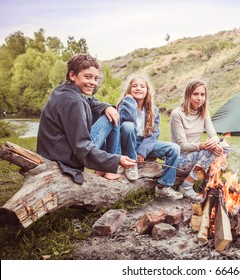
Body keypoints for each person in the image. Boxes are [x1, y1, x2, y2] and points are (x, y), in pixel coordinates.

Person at [37, 54, 136, 184]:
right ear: (73, 75)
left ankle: (105, 169)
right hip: (65, 158)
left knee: (112, 113)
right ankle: (110, 170)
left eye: (96, 78)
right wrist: (116, 160)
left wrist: (107, 107)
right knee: (112, 119)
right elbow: (81, 146)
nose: (93, 83)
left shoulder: (64, 91)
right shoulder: (73, 101)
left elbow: (89, 102)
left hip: (54, 153)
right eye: (87, 77)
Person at [117, 75, 182, 199]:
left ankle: (163, 186)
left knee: (174, 148)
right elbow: (124, 125)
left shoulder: (153, 110)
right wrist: (130, 101)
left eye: (142, 86)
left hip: (145, 143)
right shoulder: (123, 105)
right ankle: (131, 164)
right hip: (128, 141)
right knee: (128, 126)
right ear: (129, 89)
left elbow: (154, 134)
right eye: (134, 86)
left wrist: (142, 151)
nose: (138, 88)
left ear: (147, 90)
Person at [170, 79, 229, 202]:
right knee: (210, 152)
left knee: (225, 147)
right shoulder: (177, 114)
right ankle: (186, 186)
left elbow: (213, 135)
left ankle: (208, 182)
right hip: (180, 159)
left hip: (196, 156)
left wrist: (214, 141)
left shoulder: (204, 112)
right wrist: (205, 145)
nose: (199, 98)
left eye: (202, 95)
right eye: (195, 94)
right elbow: (183, 145)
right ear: (188, 95)